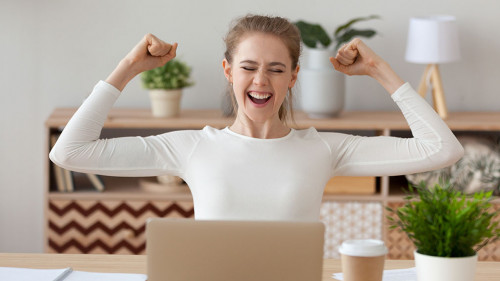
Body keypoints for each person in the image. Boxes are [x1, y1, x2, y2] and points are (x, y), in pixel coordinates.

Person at [49, 15, 464, 221]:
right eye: (248, 67)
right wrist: (127, 67)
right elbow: (69, 152)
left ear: (293, 77)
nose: (260, 81)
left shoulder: (325, 148)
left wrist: (379, 71)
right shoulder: (191, 147)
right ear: (229, 72)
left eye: (276, 69)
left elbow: (441, 149)